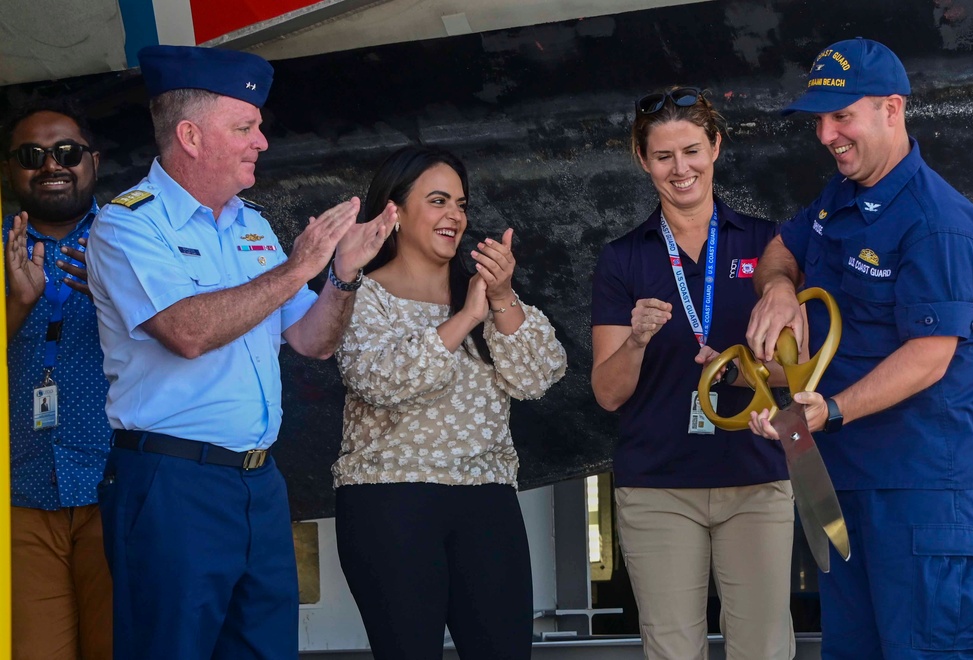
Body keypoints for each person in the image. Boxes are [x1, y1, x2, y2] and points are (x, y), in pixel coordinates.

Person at [86, 45, 396, 660]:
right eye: (245, 127)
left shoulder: (252, 224)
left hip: (258, 484)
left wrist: (341, 275)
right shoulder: (129, 226)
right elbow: (187, 332)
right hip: (172, 484)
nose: (262, 141)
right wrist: (300, 265)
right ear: (191, 136)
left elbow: (311, 340)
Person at [747, 37, 973, 659]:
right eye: (821, 120)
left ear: (892, 109)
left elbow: (929, 355)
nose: (827, 135)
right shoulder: (842, 197)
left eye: (842, 116)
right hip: (845, 486)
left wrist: (826, 411)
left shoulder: (938, 222)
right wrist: (779, 288)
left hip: (922, 497)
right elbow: (783, 245)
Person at [333, 145, 567, 659]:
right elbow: (377, 379)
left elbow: (539, 375)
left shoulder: (483, 288)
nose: (455, 216)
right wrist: (463, 319)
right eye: (439, 201)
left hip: (487, 499)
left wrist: (502, 296)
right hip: (390, 501)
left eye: (461, 204)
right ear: (394, 212)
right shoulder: (362, 293)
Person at [590, 86, 795, 660]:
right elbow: (607, 394)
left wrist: (734, 373)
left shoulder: (766, 243)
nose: (680, 169)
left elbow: (796, 375)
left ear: (716, 147)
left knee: (764, 649)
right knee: (673, 650)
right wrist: (636, 340)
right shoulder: (624, 258)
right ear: (641, 159)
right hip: (659, 486)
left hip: (755, 476)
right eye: (663, 156)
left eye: (691, 151)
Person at [2, 99, 113, 660]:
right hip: (17, 495)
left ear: (94, 161)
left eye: (67, 152)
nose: (52, 165)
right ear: (9, 169)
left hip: (117, 487)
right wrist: (15, 306)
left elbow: (187, 343)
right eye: (32, 154)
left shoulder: (136, 243)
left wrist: (119, 298)